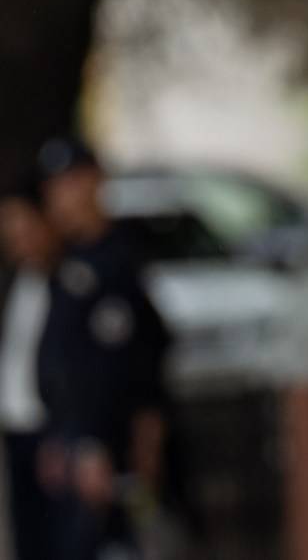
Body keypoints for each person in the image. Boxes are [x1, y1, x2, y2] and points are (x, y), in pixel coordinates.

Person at [32, 139, 168, 560]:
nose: (64, 197)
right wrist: (61, 434)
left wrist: (96, 443)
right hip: (75, 444)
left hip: (110, 452)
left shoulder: (116, 261)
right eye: (55, 187)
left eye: (73, 182)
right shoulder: (67, 262)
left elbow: (123, 366)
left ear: (96, 181)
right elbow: (63, 361)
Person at [1, 180, 57, 560]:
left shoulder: (71, 283)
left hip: (52, 435)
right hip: (16, 429)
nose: (17, 239)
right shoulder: (16, 283)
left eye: (23, 227)